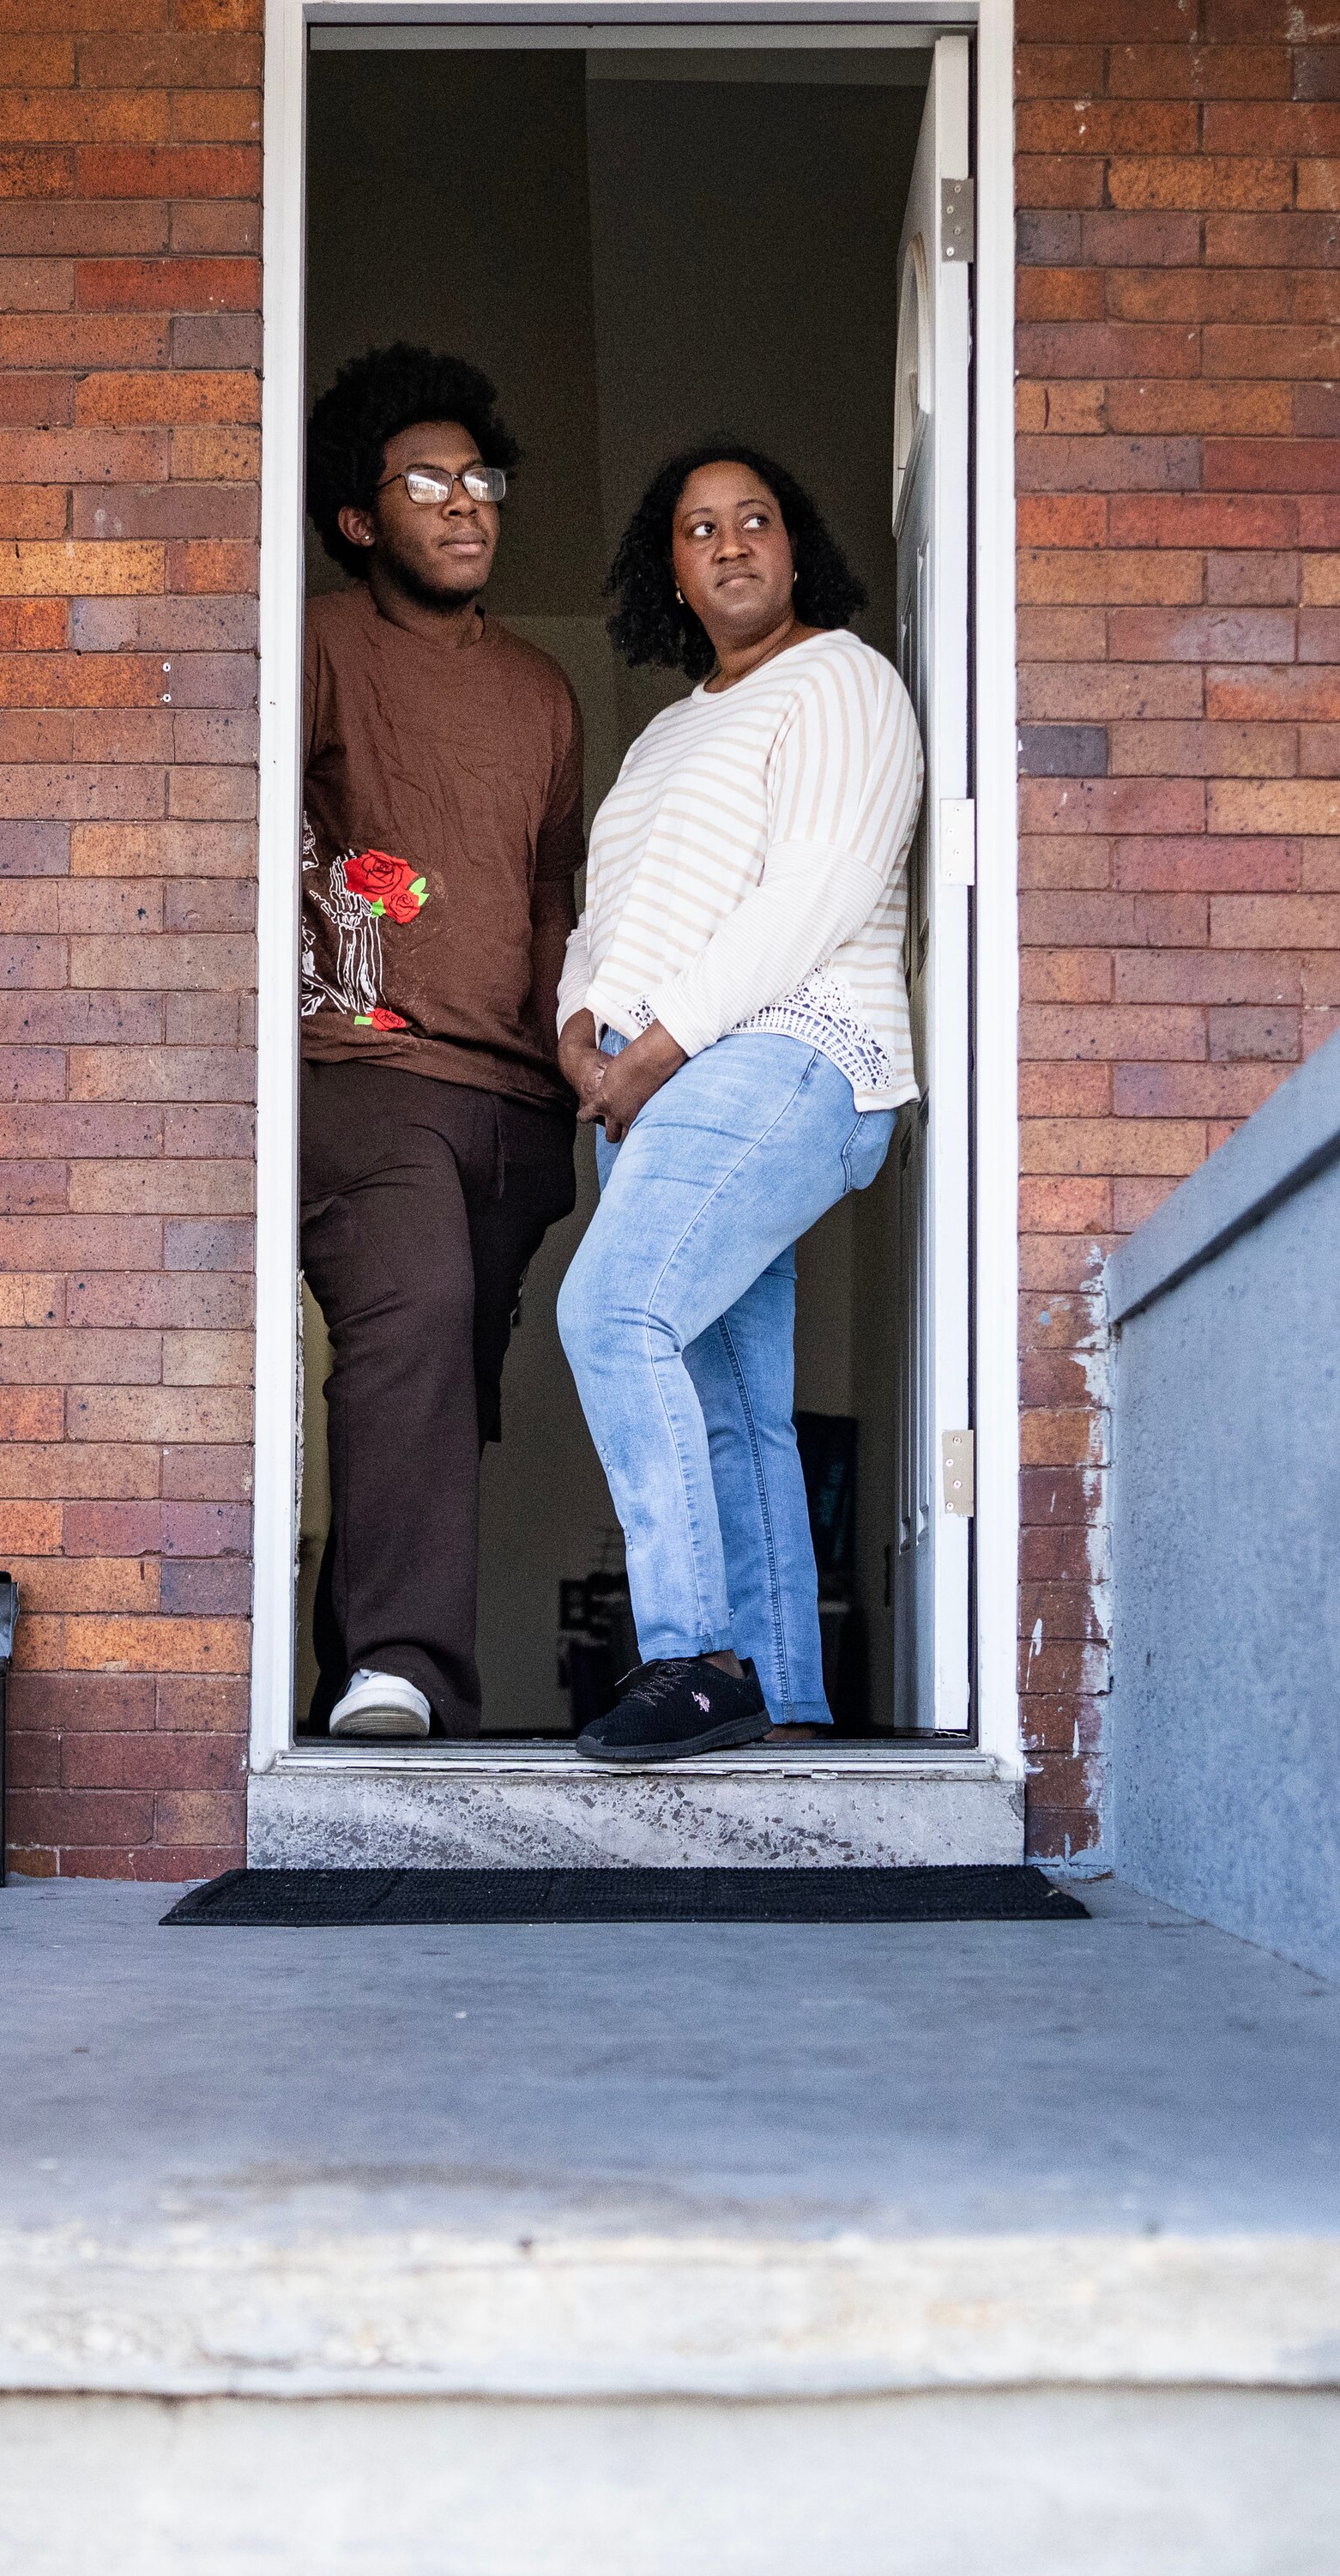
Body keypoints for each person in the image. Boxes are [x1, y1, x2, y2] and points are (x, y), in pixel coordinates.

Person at [552, 441, 921, 1764]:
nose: (730, 544)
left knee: (611, 1308)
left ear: (794, 541)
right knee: (731, 1408)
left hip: (789, 1056)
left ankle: (693, 1657)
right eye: (699, 528)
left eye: (755, 518)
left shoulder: (845, 682)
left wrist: (651, 1051)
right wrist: (578, 1038)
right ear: (673, 570)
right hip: (656, 1090)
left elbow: (811, 897)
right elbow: (608, 922)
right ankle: (788, 1703)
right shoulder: (662, 737)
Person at [295, 346, 589, 1740]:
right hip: (366, 1068)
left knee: (439, 1383)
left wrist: (567, 1064)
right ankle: (406, 1667)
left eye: (482, 480)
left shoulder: (540, 692)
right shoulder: (318, 644)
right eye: (429, 482)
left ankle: (343, 1670)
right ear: (363, 519)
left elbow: (553, 889)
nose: (467, 504)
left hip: (515, 1105)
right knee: (410, 1315)